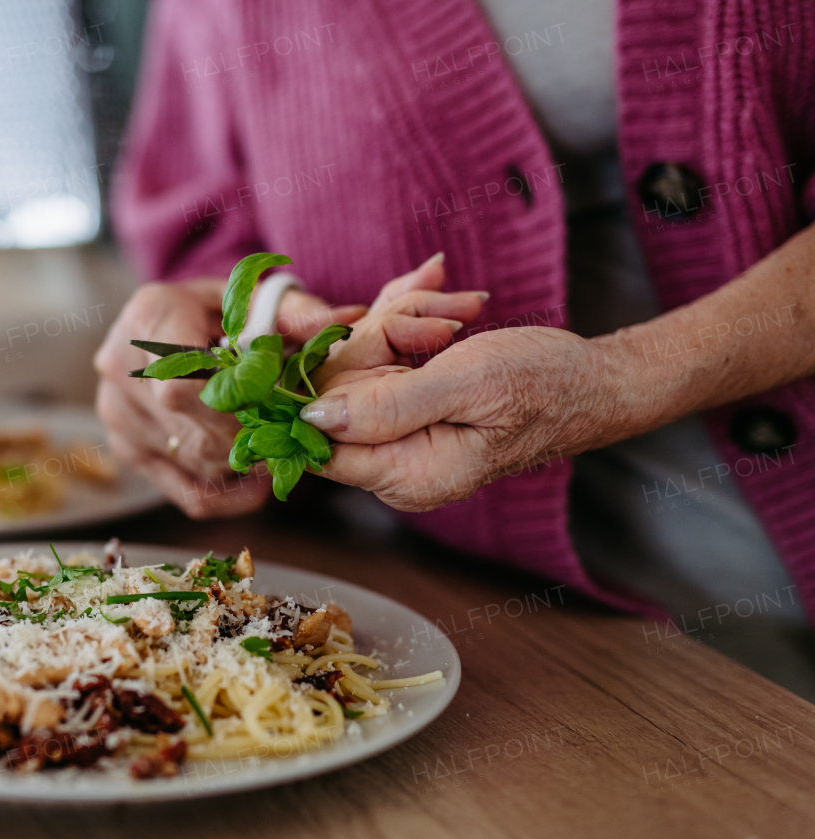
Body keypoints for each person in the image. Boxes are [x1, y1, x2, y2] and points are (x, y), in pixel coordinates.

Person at [94, 0, 815, 697]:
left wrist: (618, 380)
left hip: (760, 610)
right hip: (435, 609)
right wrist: (227, 335)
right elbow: (210, 223)